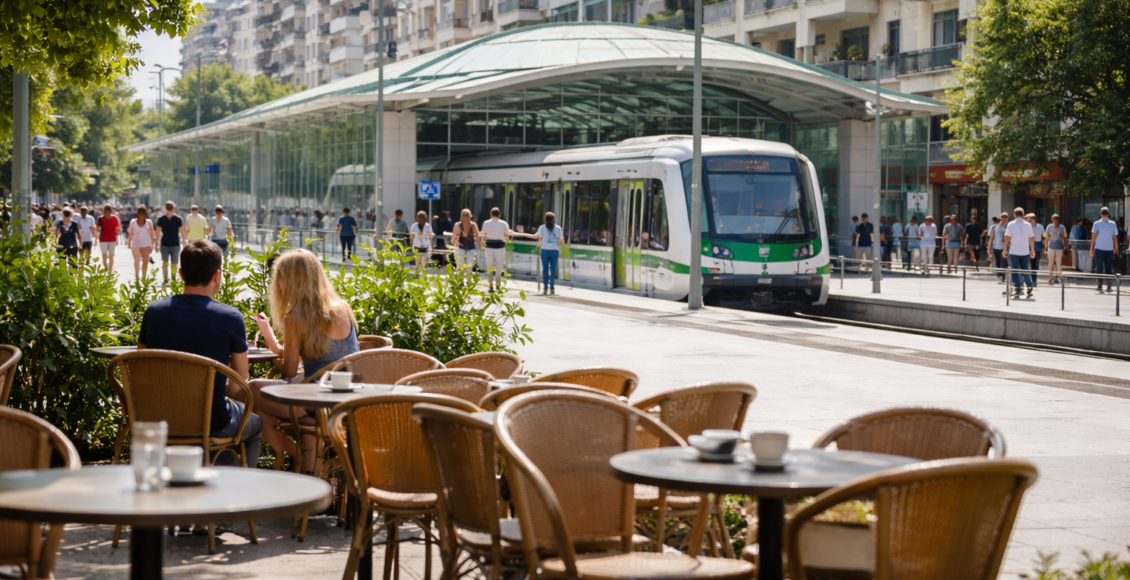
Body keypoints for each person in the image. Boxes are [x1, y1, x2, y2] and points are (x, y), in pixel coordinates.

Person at [137, 240, 262, 467]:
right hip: (212, 421)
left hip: (159, 419)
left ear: (181, 274)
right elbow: (238, 383)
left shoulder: (153, 312)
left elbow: (142, 370)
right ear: (218, 276)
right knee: (252, 424)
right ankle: (240, 491)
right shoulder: (231, 318)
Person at [250, 248, 359, 474]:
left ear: (289, 281)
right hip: (347, 400)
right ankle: (309, 455)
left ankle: (297, 454)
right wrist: (269, 334)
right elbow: (325, 361)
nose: (277, 283)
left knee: (250, 390)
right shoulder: (343, 309)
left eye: (279, 277)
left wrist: (272, 363)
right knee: (261, 416)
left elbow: (289, 371)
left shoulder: (296, 317)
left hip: (316, 403)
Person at [1003, 207, 1036, 298]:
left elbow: (1007, 238)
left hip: (1014, 251)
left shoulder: (1011, 224)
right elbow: (1032, 238)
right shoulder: (1028, 225)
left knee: (1015, 271)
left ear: (1014, 214)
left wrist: (1005, 249)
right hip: (1025, 251)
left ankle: (1017, 288)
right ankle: (1029, 285)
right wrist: (1032, 250)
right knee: (1026, 270)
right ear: (1023, 214)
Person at [479, 207, 513, 292]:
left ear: (491, 214)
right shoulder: (504, 223)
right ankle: (498, 284)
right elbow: (507, 235)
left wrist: (482, 243)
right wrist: (506, 242)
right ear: (499, 215)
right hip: (500, 246)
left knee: (489, 265)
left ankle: (490, 284)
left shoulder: (486, 223)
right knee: (499, 266)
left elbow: (482, 234)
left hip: (489, 246)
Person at [534, 212, 563, 295]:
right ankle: (552, 288)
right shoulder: (558, 228)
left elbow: (538, 236)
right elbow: (561, 240)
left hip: (544, 250)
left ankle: (545, 288)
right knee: (553, 269)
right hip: (555, 250)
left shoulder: (542, 228)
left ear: (545, 219)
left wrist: (539, 241)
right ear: (554, 219)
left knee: (545, 269)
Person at [156, 201, 185, 286]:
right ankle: (165, 279)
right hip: (164, 244)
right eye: (168, 209)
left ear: (173, 209)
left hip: (175, 244)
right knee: (165, 262)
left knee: (174, 263)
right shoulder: (161, 219)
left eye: (170, 209)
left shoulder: (178, 219)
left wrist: (184, 243)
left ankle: (173, 278)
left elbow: (182, 232)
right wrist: (156, 244)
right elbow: (157, 232)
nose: (169, 210)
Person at [1091, 207, 1118, 293]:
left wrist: (1091, 248)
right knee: (1108, 267)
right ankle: (1109, 286)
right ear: (1108, 214)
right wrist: (1116, 247)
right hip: (1109, 248)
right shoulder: (1113, 224)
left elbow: (1093, 237)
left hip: (1099, 248)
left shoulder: (1096, 224)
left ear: (1100, 214)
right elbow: (1115, 237)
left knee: (1099, 267)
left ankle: (1099, 285)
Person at [127, 205, 157, 279]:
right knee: (137, 260)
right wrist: (129, 242)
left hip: (146, 244)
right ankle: (137, 275)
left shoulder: (149, 222)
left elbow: (152, 234)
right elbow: (130, 233)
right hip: (136, 244)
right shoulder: (133, 222)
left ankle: (143, 276)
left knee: (145, 261)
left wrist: (153, 244)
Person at [450, 209, 480, 282]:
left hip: (460, 247)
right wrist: (476, 243)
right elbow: (478, 236)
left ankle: (460, 281)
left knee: (460, 266)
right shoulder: (473, 225)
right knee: (469, 266)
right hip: (471, 247)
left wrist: (454, 242)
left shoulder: (457, 225)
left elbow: (453, 237)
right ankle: (469, 281)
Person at [95, 204, 121, 271]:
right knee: (104, 255)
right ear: (104, 211)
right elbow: (97, 229)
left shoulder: (114, 218)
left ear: (111, 211)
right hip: (103, 239)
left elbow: (118, 228)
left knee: (111, 255)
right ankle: (106, 268)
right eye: (106, 211)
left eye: (109, 211)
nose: (107, 213)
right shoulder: (100, 219)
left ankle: (110, 269)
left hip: (112, 239)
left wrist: (117, 233)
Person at [1045, 214, 1067, 285]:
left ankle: (1058, 276)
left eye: (1056, 219)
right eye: (1053, 220)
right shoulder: (1049, 227)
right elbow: (1047, 236)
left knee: (1058, 263)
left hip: (1059, 247)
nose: (1055, 221)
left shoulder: (1062, 227)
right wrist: (1045, 244)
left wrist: (1061, 236)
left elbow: (1065, 236)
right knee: (1050, 262)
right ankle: (1050, 277)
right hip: (1051, 246)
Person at [987, 213, 1009, 283]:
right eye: (1002, 217)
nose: (1004, 219)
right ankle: (999, 276)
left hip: (1004, 247)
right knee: (998, 262)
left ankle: (1004, 276)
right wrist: (989, 248)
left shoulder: (1008, 226)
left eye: (1005, 217)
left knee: (1004, 262)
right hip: (996, 247)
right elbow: (991, 238)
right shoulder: (994, 227)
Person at [1027, 214, 1044, 288]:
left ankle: (1034, 280)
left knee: (1034, 264)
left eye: (1031, 218)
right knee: (1027, 263)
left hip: (1037, 246)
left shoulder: (1039, 226)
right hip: (1027, 245)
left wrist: (1043, 247)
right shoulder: (1027, 226)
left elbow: (1043, 236)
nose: (1030, 220)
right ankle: (1028, 279)